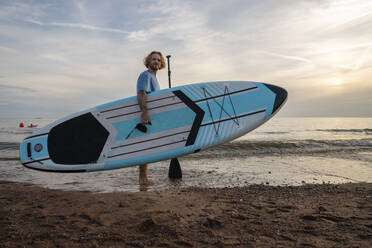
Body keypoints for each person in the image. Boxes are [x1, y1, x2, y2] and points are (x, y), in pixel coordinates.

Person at [137, 51, 166, 185]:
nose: (156, 62)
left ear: (161, 64)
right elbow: (141, 93)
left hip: (152, 115)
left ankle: (144, 178)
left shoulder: (153, 78)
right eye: (153, 59)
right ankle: (143, 178)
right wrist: (144, 112)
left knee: (148, 145)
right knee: (146, 145)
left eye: (158, 60)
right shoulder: (145, 75)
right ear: (148, 61)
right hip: (146, 115)